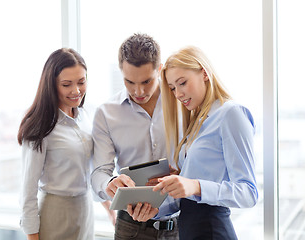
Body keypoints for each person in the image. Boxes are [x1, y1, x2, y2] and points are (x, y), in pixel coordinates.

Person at [128, 46, 258, 239]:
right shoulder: (197, 122)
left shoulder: (230, 113)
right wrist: (155, 209)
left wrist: (195, 186)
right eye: (172, 88)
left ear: (204, 73)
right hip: (189, 231)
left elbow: (249, 193)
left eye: (182, 83)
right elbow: (189, 198)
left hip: (212, 230)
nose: (178, 94)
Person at [17, 48, 114, 240]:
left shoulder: (85, 117)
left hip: (85, 211)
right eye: (66, 84)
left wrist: (109, 208)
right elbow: (28, 190)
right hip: (56, 213)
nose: (76, 91)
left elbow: (89, 170)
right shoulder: (41, 126)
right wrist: (32, 237)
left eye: (81, 82)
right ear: (51, 85)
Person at [91, 33, 179, 240]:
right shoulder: (106, 113)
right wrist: (109, 183)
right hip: (131, 227)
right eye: (129, 81)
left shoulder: (182, 102)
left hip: (183, 221)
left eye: (146, 81)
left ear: (159, 69)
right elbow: (98, 174)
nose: (138, 91)